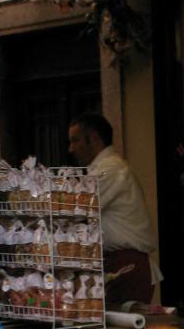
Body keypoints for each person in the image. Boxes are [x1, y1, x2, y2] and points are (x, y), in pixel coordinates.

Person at [68, 112, 161, 303]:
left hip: (126, 264)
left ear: (94, 138)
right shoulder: (102, 169)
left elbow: (77, 211)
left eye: (75, 141)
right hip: (111, 263)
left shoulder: (111, 169)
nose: (71, 148)